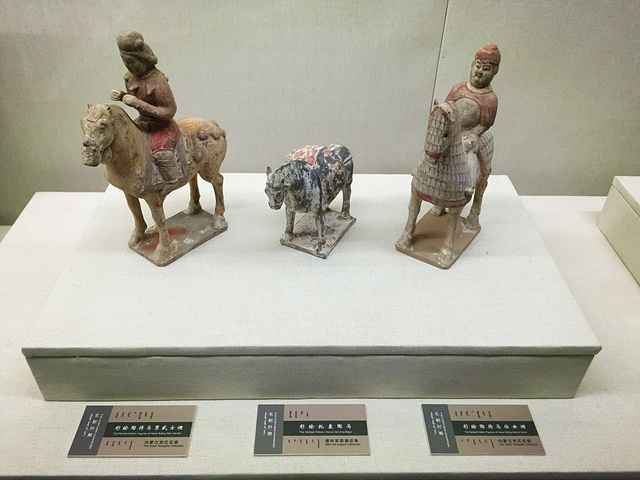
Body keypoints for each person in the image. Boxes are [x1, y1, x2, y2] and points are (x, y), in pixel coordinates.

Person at [110, 30, 180, 191]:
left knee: (161, 154)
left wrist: (138, 104)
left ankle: (172, 181)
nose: (128, 66)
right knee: (125, 141)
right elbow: (133, 98)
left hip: (162, 126)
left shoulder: (158, 81)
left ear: (142, 59)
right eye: (125, 62)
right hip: (143, 122)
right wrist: (121, 96)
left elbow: (170, 111)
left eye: (131, 62)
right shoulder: (130, 77)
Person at [445, 44, 500, 155]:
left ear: (494, 72)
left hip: (468, 135)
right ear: (472, 65)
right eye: (478, 66)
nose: (479, 71)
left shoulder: (490, 99)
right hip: (450, 130)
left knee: (469, 160)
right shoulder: (458, 88)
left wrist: (473, 134)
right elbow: (446, 107)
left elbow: (485, 124)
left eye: (486, 69)